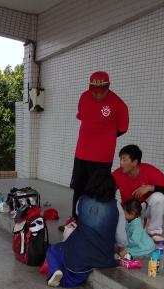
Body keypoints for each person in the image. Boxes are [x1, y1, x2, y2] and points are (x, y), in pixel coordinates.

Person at [44, 170, 127, 288]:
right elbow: (121, 238)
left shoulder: (82, 200)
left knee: (53, 250)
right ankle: (59, 274)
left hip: (77, 251)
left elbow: (80, 217)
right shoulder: (116, 206)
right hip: (102, 256)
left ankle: (56, 271)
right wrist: (120, 249)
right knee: (74, 273)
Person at [69, 71, 128, 222]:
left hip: (102, 156)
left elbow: (122, 128)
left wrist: (104, 138)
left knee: (99, 191)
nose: (98, 95)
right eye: (94, 91)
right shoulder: (84, 97)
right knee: (79, 188)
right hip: (81, 153)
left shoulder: (118, 104)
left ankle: (96, 222)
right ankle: (76, 220)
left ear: (108, 87)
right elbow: (83, 117)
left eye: (101, 92)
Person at [112, 144, 164, 243]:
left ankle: (154, 231)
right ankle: (137, 225)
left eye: (124, 160)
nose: (121, 163)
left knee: (158, 197)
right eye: (120, 159)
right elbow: (108, 192)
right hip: (128, 210)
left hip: (144, 208)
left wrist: (150, 187)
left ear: (135, 162)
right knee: (125, 236)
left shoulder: (149, 170)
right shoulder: (117, 173)